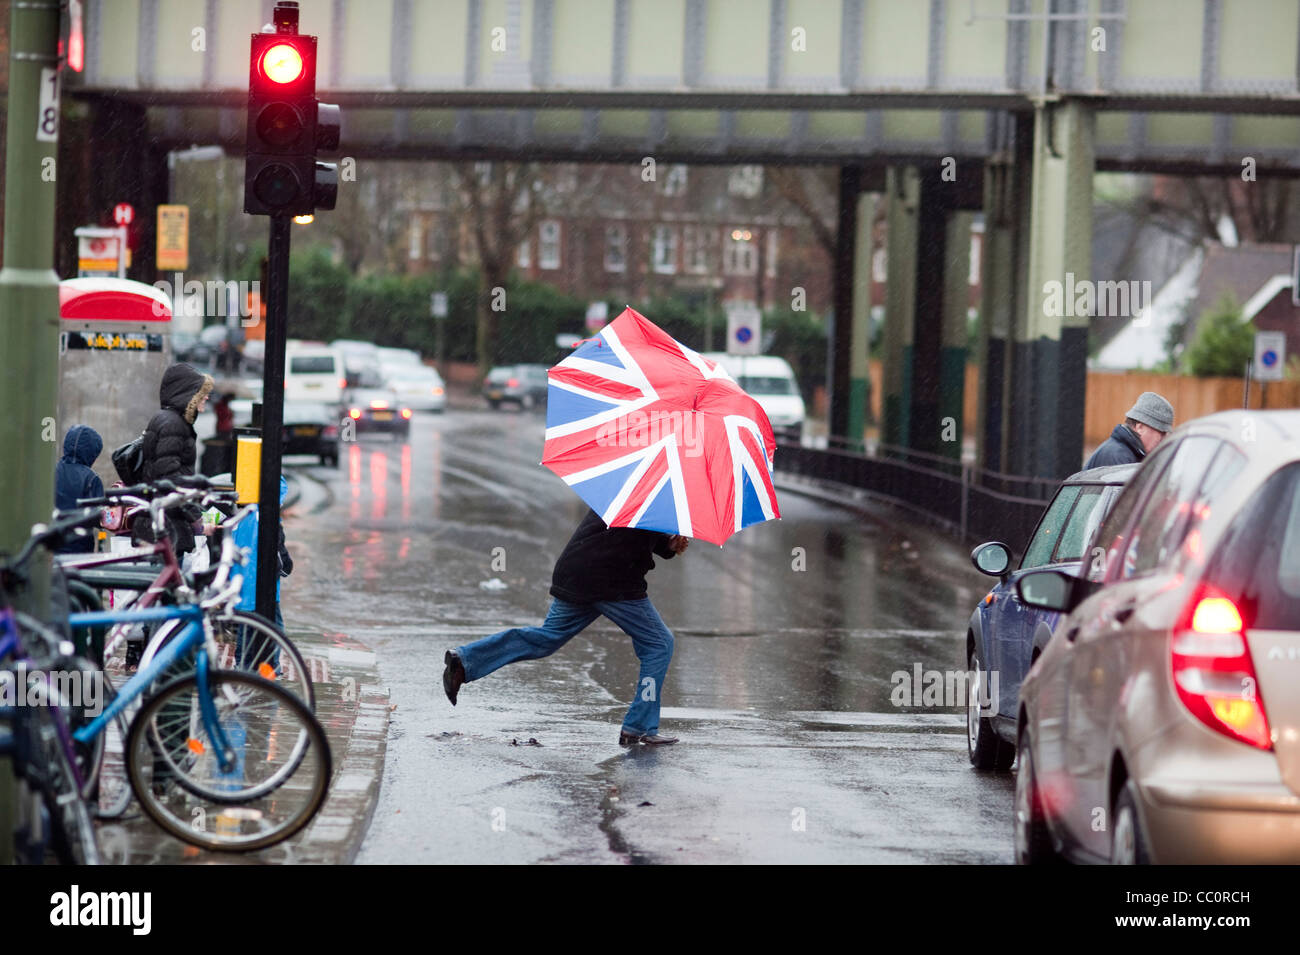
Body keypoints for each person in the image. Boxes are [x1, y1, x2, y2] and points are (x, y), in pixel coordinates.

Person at [443, 508, 690, 746]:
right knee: (659, 644)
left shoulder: (629, 489)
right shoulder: (651, 496)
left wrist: (668, 545)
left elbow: (634, 531)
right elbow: (632, 533)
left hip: (578, 571)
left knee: (547, 638)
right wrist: (666, 541)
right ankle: (639, 726)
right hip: (610, 579)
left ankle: (465, 661)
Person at [137, 361, 214, 555]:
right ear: (187, 395)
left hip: (161, 521)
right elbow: (171, 481)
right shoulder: (173, 425)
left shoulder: (167, 420)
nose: (206, 396)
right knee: (168, 583)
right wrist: (197, 520)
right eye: (200, 392)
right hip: (168, 526)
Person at [1084, 391, 1174, 469]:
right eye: (1161, 433)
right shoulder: (1117, 456)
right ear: (1140, 427)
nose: (1163, 439)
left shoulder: (1131, 453)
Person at [54, 424, 104, 554]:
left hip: (50, 547)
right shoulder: (91, 478)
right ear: (93, 452)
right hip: (80, 552)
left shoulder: (51, 471)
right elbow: (100, 519)